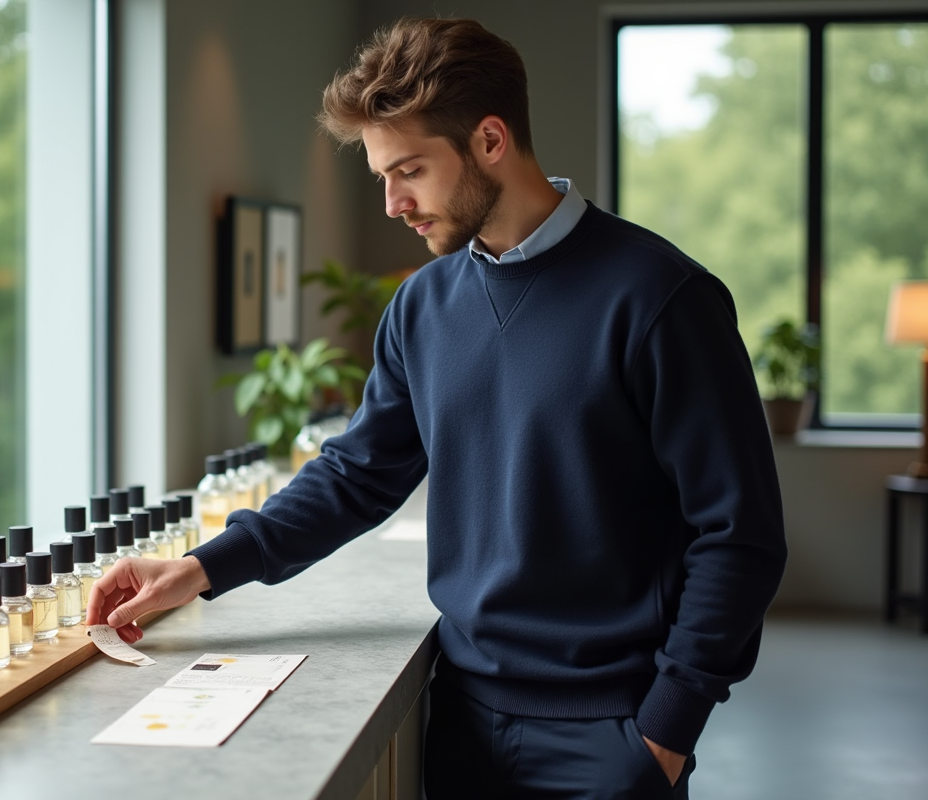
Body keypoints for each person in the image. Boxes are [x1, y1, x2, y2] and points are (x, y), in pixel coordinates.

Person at [86, 16, 787, 799]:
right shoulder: (420, 308)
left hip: (612, 735)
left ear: (490, 140)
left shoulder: (662, 298)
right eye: (383, 175)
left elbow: (741, 537)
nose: (392, 203)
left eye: (410, 170)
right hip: (458, 719)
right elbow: (356, 475)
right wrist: (197, 569)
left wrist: (664, 733)